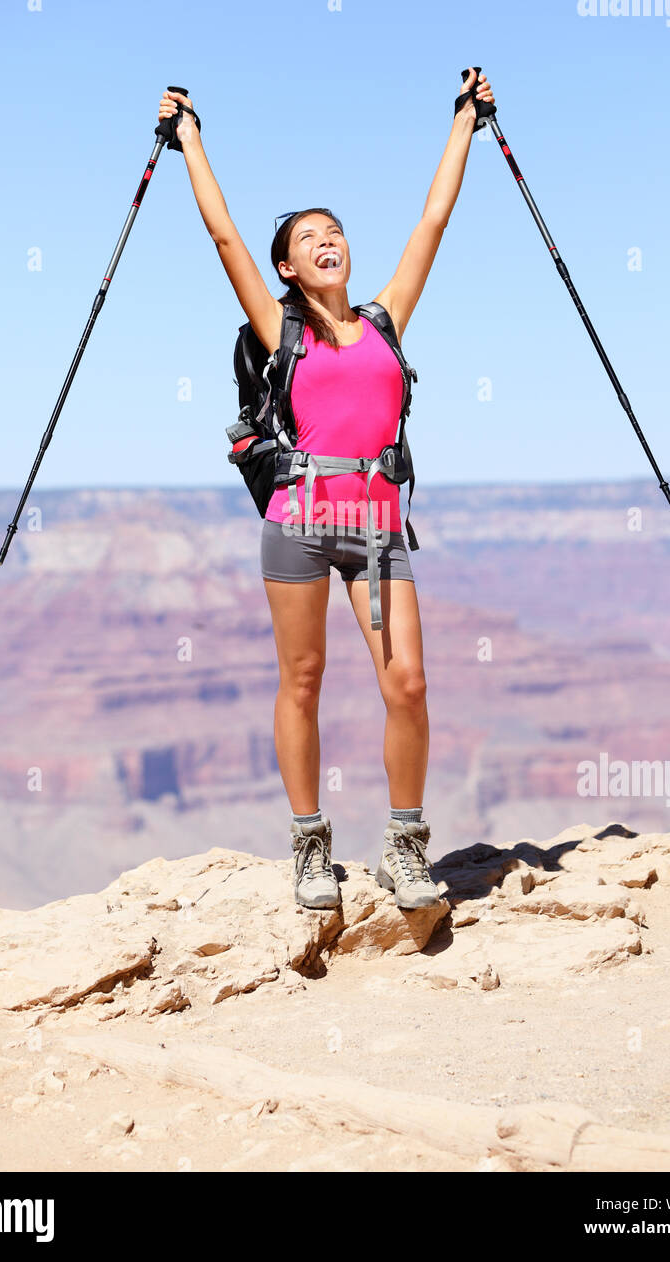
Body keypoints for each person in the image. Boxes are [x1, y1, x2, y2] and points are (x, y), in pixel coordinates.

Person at [157, 68, 495, 912]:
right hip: (300, 519)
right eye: (310, 237)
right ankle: (311, 845)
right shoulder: (282, 330)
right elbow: (226, 238)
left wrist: (465, 122)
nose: (328, 241)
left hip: (378, 528)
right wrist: (189, 136)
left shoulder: (384, 320)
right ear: (288, 266)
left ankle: (407, 847)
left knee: (407, 684)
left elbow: (434, 221)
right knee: (301, 681)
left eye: (336, 231)